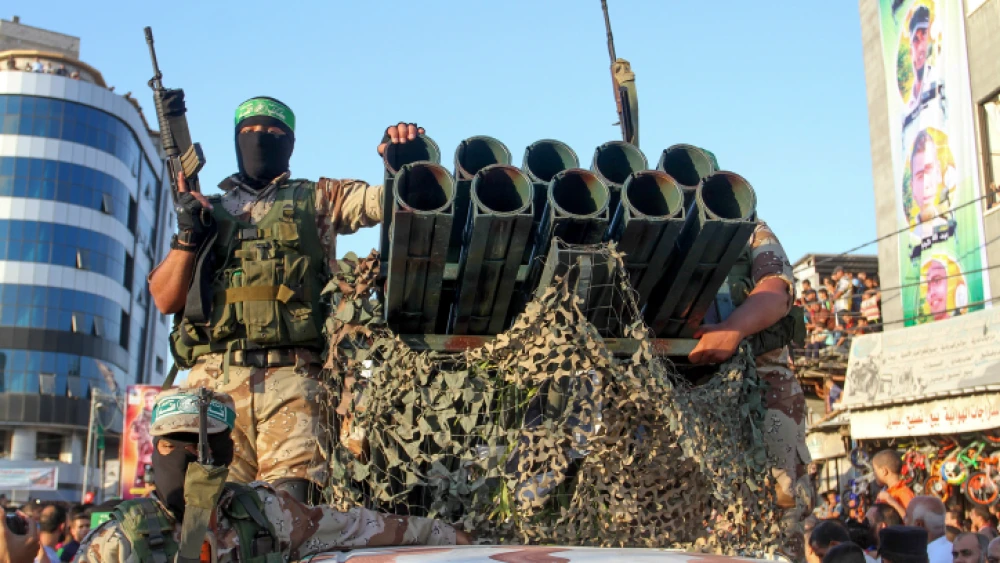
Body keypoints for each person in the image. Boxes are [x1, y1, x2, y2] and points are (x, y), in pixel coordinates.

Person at [147, 95, 426, 503]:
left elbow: (384, 202)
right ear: (235, 140)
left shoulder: (317, 199)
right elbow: (164, 298)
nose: (261, 139)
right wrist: (187, 234)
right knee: (208, 512)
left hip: (294, 381)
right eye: (250, 132)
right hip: (214, 384)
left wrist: (403, 167)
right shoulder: (209, 211)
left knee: (291, 510)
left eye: (274, 133)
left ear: (290, 144)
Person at [73, 388, 467, 563]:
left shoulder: (265, 514)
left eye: (205, 444)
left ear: (226, 451)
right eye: (173, 443)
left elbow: (361, 528)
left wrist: (451, 537)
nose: (191, 456)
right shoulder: (115, 544)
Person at [687, 219, 811, 557]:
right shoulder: (662, 225)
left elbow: (776, 291)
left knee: (778, 511)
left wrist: (734, 328)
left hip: (762, 388)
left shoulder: (747, 228)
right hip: (684, 394)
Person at [906, 496, 951, 563]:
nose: (904, 521)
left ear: (919, 525)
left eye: (907, 517)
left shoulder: (934, 558)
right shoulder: (952, 550)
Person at [874, 450, 915, 518]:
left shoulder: (904, 492)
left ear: (884, 471)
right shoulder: (887, 492)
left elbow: (911, 520)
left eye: (875, 470)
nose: (874, 474)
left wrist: (891, 501)